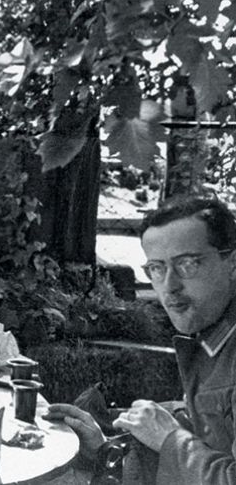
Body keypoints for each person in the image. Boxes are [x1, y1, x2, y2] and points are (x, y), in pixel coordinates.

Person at [45, 196, 236, 484]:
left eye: (187, 264)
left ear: (232, 262)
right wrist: (103, 449)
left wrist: (170, 438)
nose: (169, 286)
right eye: (157, 269)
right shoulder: (214, 336)